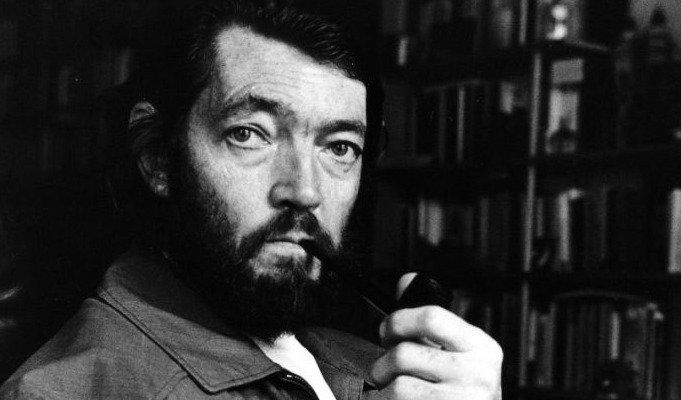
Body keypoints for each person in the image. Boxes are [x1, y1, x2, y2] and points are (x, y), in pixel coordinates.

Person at [0, 0, 503, 398]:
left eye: (339, 147)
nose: (304, 191)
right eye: (249, 134)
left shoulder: (378, 367)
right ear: (157, 157)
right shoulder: (67, 391)